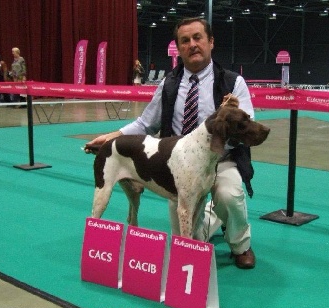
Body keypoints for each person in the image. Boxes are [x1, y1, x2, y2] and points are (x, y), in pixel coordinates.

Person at [86, 17, 256, 269]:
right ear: (178, 48)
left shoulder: (233, 82)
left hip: (221, 161)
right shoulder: (168, 84)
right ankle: (213, 218)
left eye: (198, 37)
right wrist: (113, 135)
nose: (192, 44)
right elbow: (145, 124)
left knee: (228, 195)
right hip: (179, 168)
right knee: (188, 239)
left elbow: (247, 124)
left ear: (210, 42)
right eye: (185, 41)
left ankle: (240, 245)